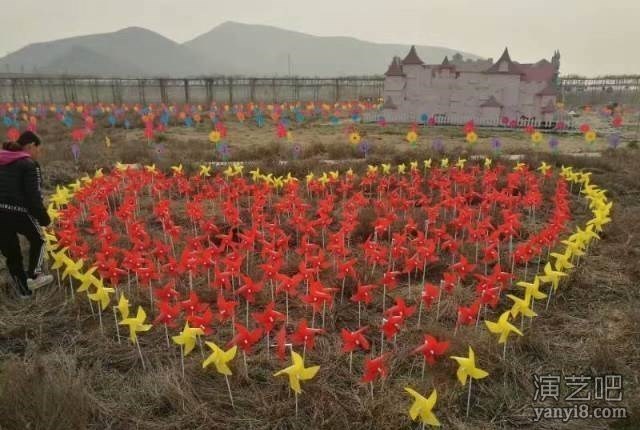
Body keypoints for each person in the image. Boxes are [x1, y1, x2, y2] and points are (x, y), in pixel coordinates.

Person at [0, 130, 53, 299]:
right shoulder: (29, 164)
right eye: (37, 149)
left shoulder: (2, 159)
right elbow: (33, 196)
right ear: (30, 146)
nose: (38, 153)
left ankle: (24, 292)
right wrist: (44, 219)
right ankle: (35, 276)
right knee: (40, 239)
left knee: (12, 254)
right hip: (19, 211)